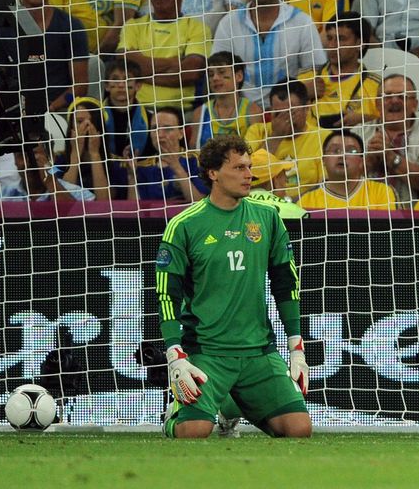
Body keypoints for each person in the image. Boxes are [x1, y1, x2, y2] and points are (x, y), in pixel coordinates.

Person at [156, 134, 311, 439]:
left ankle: (230, 403)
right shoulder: (184, 225)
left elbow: (285, 283)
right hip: (207, 351)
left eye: (250, 166)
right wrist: (175, 353)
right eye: (239, 167)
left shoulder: (267, 218)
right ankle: (174, 414)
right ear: (213, 173)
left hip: (258, 352)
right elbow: (167, 294)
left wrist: (296, 347)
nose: (249, 174)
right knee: (193, 431)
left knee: (299, 429)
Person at [0, 0, 87, 140]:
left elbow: (80, 85)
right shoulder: (1, 25)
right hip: (14, 112)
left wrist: (50, 107)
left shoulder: (70, 26)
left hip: (58, 109)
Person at [212, 0, 326, 107]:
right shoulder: (228, 23)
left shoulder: (302, 22)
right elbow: (217, 75)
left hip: (289, 108)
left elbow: (317, 78)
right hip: (241, 111)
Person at [116, 0, 211, 113]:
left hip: (181, 112)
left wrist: (139, 76)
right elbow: (124, 66)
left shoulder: (197, 28)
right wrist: (172, 63)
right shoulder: (132, 26)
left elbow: (190, 73)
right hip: (135, 110)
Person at [245, 80, 326, 201]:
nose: (285, 118)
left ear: (307, 108)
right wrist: (276, 136)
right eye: (278, 113)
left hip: (307, 207)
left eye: (291, 112)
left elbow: (325, 185)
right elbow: (247, 174)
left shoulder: (323, 137)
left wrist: (289, 203)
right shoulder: (257, 131)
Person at [297, 16, 381, 130]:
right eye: (329, 38)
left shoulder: (376, 85)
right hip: (305, 145)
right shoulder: (306, 76)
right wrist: (301, 92)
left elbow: (392, 122)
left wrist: (366, 121)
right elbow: (278, 112)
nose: (332, 45)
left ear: (360, 44)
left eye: (341, 39)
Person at [364, 74, 419, 204]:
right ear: (377, 104)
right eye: (387, 96)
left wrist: (391, 158)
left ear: (415, 105)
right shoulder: (358, 132)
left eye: (402, 96)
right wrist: (367, 163)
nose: (394, 101)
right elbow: (338, 179)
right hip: (362, 212)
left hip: (414, 216)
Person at [124, 106, 208, 203]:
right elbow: (133, 211)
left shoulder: (197, 160)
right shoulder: (142, 167)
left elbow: (200, 204)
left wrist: (177, 168)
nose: (159, 135)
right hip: (154, 218)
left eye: (167, 129)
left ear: (181, 133)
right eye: (154, 128)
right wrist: (132, 177)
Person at [299, 130, 396, 211]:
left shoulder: (381, 192)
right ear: (323, 159)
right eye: (335, 150)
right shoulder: (306, 201)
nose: (342, 156)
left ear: (361, 161)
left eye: (351, 151)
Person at [191, 51, 263, 151]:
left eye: (221, 72)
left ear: (239, 76)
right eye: (211, 74)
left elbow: (255, 152)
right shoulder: (200, 113)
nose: (215, 78)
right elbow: (194, 151)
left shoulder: (253, 112)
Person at [246, 147, 309, 219]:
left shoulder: (234, 207)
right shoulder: (296, 213)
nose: (287, 180)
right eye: (283, 174)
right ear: (275, 180)